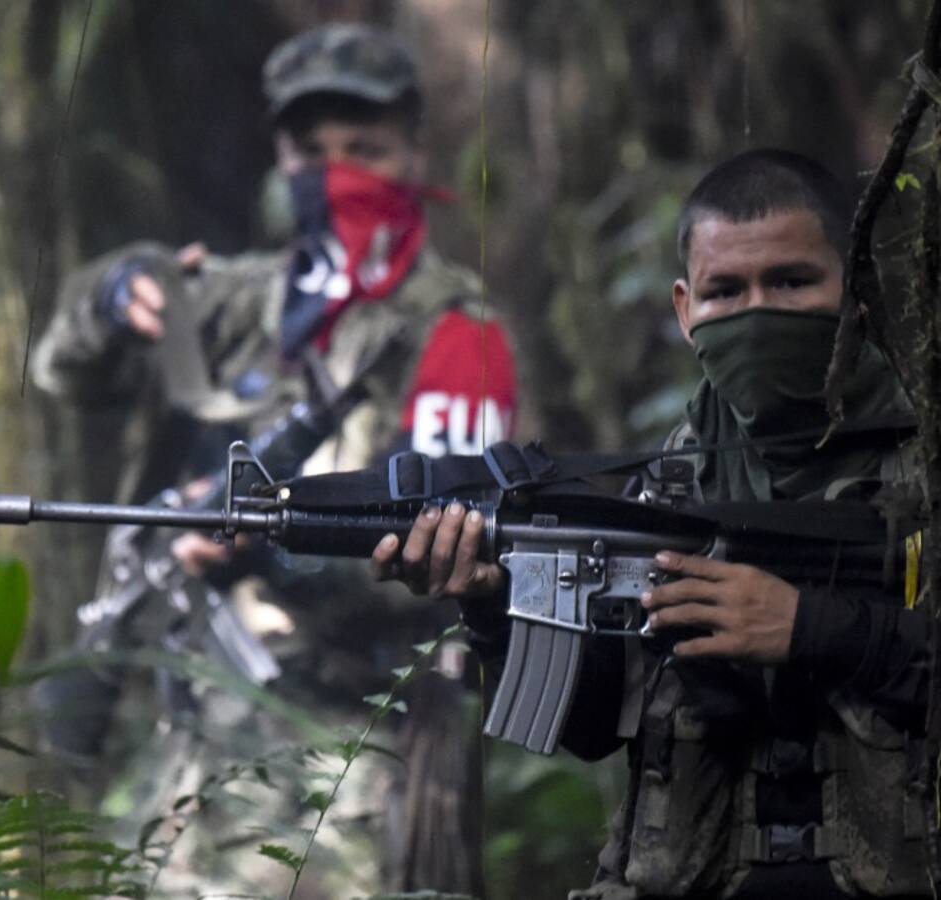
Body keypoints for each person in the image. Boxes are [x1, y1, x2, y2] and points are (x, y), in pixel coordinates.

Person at [32, 22, 517, 896]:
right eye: (310, 151)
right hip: (192, 750)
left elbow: (457, 557)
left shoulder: (456, 333)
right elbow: (64, 370)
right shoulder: (244, 299)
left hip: (353, 766)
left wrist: (273, 553)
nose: (335, 172)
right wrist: (112, 292)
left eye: (364, 148)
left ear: (414, 150)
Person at [372, 148, 931, 899]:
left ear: (855, 289)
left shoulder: (924, 465)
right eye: (725, 290)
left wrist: (811, 629)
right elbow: (595, 724)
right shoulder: (663, 490)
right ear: (684, 309)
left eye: (791, 281)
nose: (756, 312)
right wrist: (491, 603)